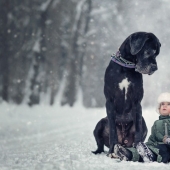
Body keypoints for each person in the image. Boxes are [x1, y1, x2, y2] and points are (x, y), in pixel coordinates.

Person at [114, 92, 170, 163]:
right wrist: (148, 144)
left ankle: (150, 156)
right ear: (159, 108)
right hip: (155, 145)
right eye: (162, 104)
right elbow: (153, 137)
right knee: (143, 149)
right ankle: (128, 153)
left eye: (168, 104)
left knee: (161, 151)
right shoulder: (156, 123)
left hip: (166, 148)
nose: (164, 106)